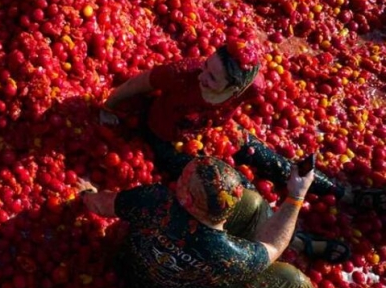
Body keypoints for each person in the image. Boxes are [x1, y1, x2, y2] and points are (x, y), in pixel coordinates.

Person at [99, 39, 384, 211]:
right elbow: (138, 83)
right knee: (239, 189)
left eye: (212, 77)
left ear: (234, 88)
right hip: (167, 139)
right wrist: (109, 105)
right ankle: (277, 228)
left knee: (277, 163)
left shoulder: (253, 88)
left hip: (217, 132)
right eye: (207, 66)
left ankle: (345, 193)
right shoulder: (183, 73)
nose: (202, 75)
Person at [77, 156, 347, 288]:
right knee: (292, 281)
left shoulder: (154, 200)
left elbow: (103, 205)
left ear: (187, 200)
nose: (179, 178)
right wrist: (296, 195)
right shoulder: (230, 257)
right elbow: (274, 247)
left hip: (131, 262)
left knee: (253, 204)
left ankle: (296, 240)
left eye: (184, 180)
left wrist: (85, 195)